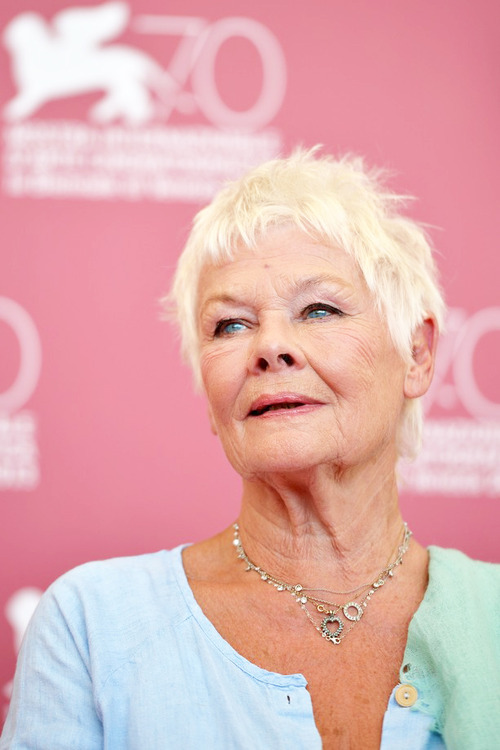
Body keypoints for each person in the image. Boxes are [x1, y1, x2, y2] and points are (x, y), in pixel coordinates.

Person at [1, 149, 499, 750]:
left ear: (417, 355)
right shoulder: (91, 628)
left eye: (319, 309)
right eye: (230, 325)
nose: (270, 348)